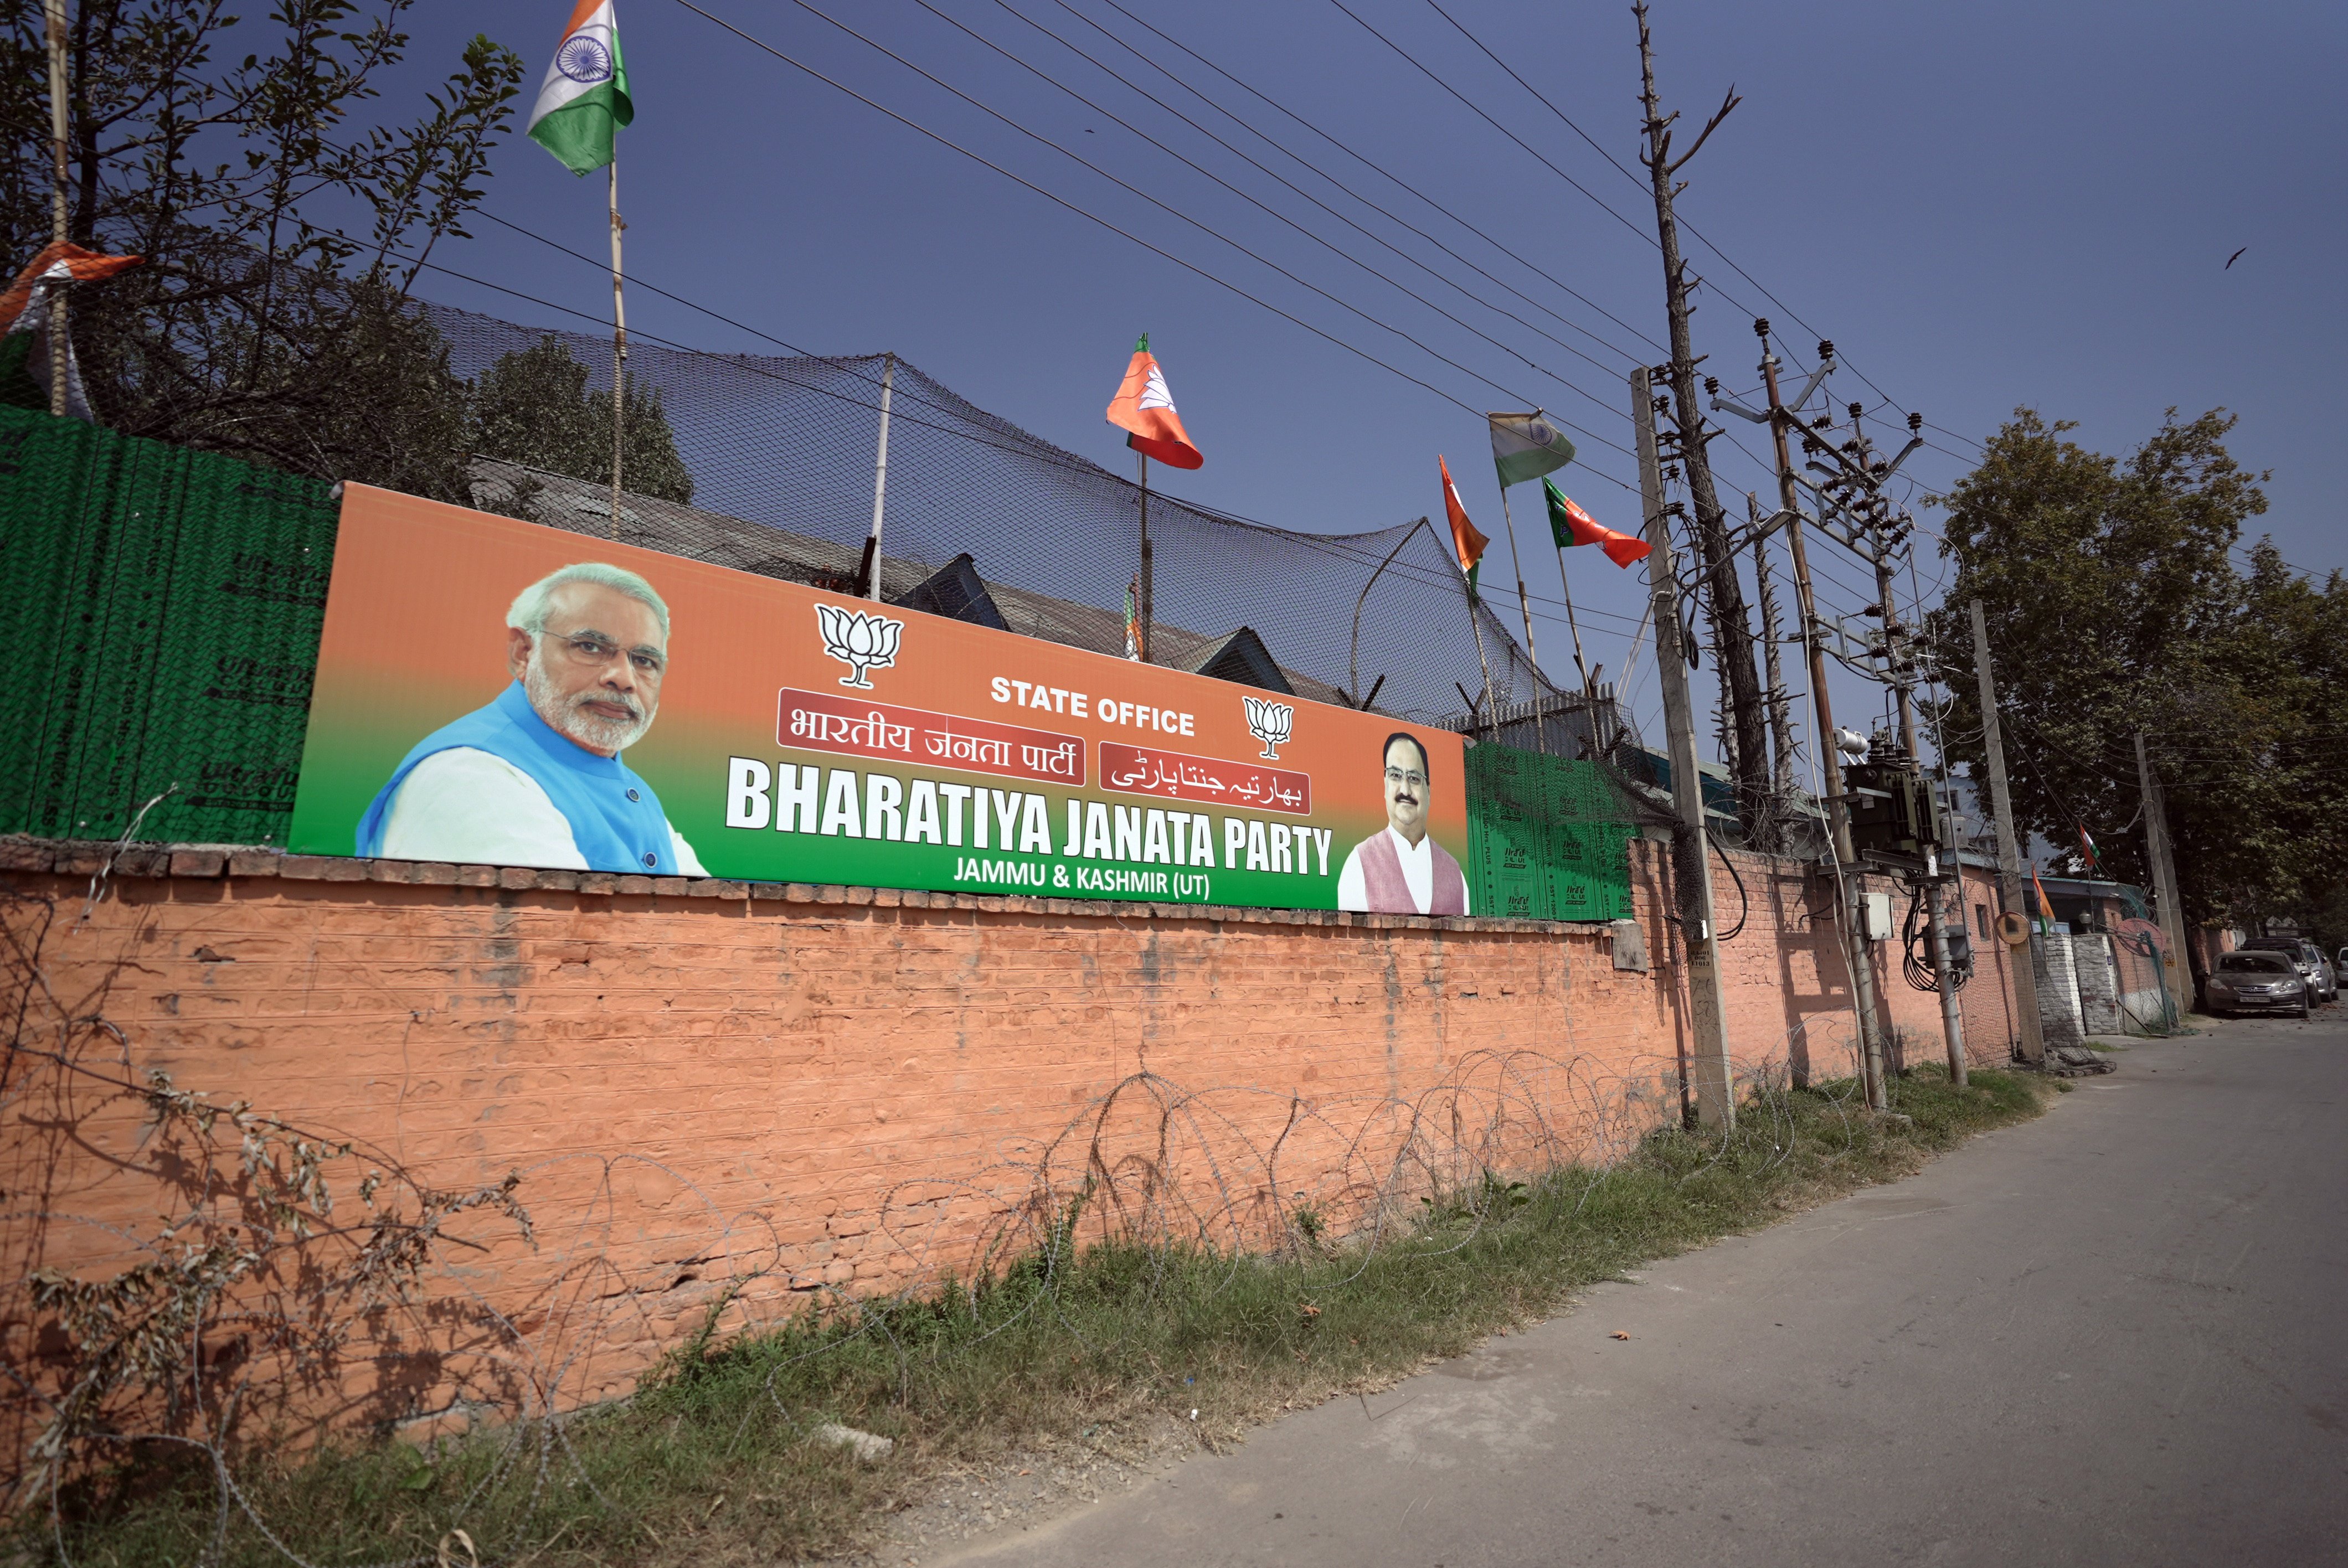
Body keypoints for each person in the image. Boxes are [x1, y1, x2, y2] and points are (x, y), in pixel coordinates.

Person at [356, 562, 707, 875]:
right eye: (590, 647)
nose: (624, 678)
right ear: (523, 653)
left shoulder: (632, 790)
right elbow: (557, 925)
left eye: (644, 661)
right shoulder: (473, 775)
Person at [1335, 732, 1469, 915]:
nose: (1405, 790)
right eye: (1395, 775)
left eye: (1414, 778)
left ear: (1428, 791)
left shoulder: (1455, 873)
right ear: (1385, 785)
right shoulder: (1358, 863)